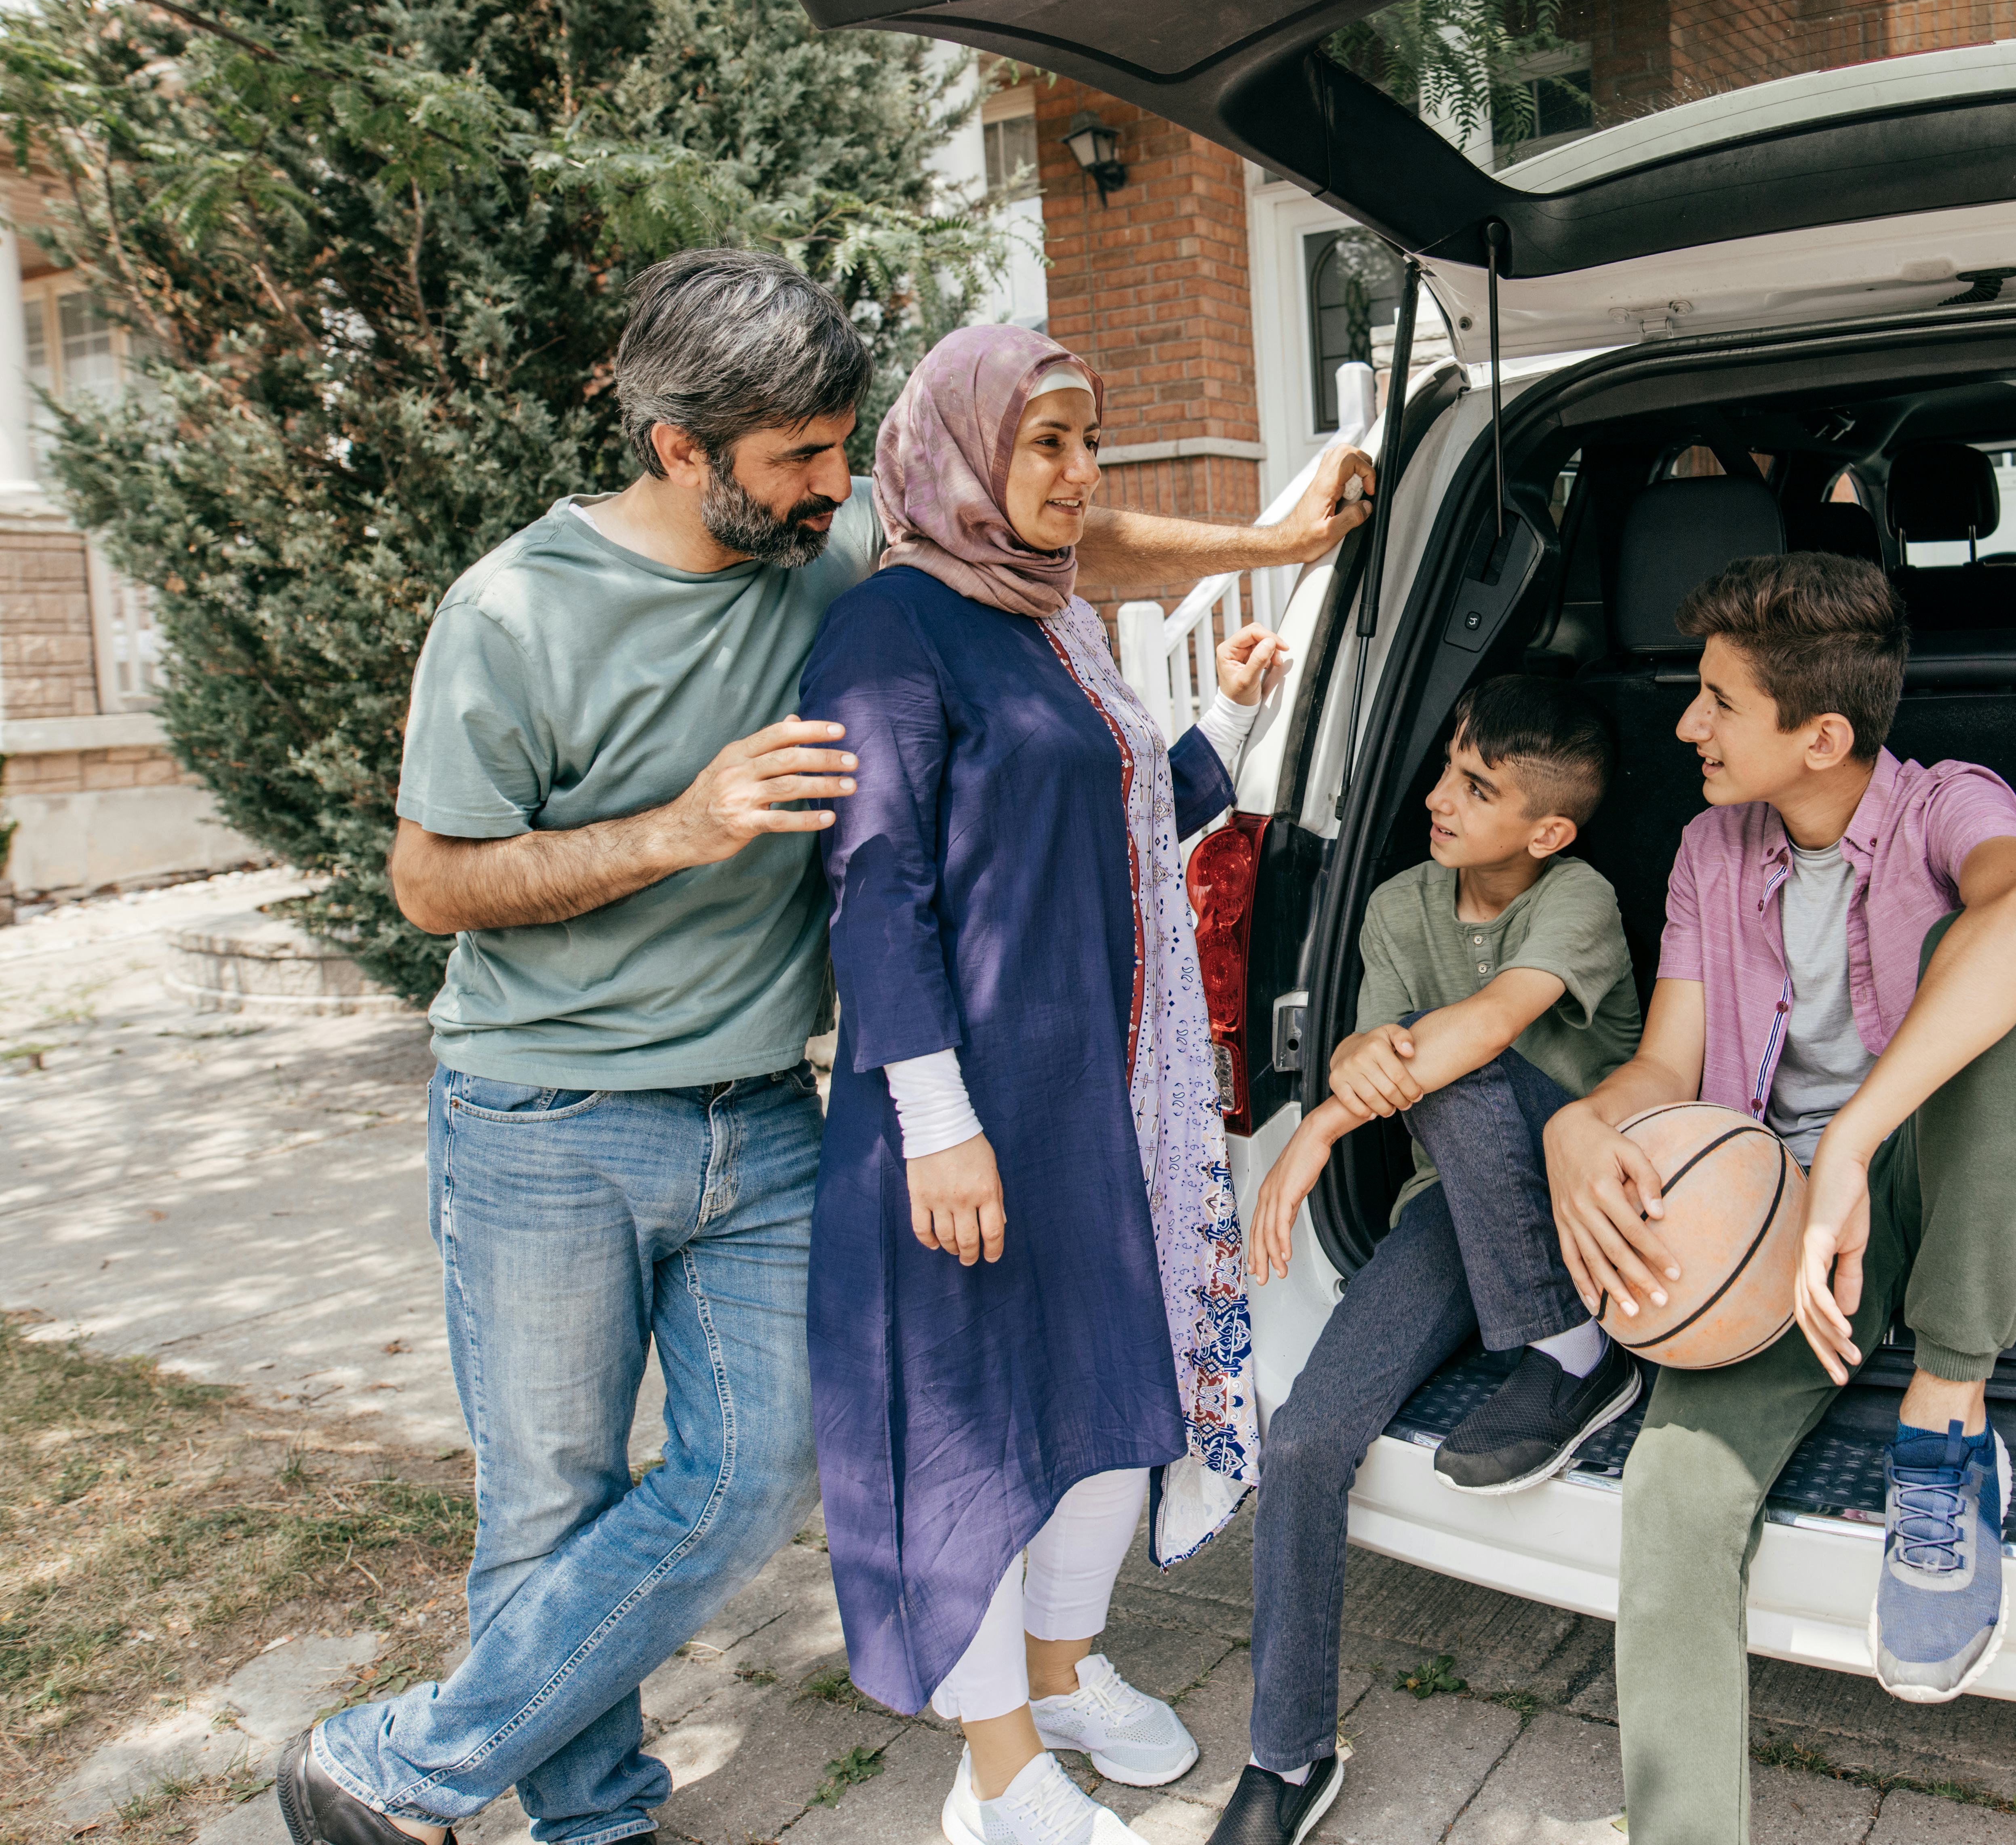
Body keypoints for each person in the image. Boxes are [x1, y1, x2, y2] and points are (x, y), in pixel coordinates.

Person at [277, 257, 1369, 1845]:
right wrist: (680, 827)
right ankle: (567, 1814)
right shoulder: (514, 612)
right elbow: (432, 880)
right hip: (547, 1117)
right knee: (550, 1497)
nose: (830, 486)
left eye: (842, 452)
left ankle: (421, 1759)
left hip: (759, 1107)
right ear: (675, 444)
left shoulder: (831, 540)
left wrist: (1270, 544)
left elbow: (1047, 533)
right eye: (795, 457)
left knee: (765, 1472)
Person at [801, 325, 1304, 1845]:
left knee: (1109, 1400)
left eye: (1091, 443)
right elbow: (875, 887)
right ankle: (1000, 1776)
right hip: (961, 1112)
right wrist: (941, 1128)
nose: (1085, 476)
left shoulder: (1057, 626)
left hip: (1100, 1097)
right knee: (975, 1430)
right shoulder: (894, 629)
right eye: (1050, 444)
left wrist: (1221, 723)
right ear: (962, 454)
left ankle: (1063, 1670)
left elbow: (1124, 834)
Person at [1540, 553, 2016, 1845]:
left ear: (1822, 736)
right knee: (1673, 1497)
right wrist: (1580, 1131)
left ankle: (1947, 1412)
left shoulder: (1947, 803)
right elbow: (1667, 1067)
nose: (1687, 725)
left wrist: (1856, 1143)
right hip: (1784, 1227)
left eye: (1716, 703)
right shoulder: (1710, 846)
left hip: (1965, 1188)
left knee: (1995, 965)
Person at [1213, 675, 1644, 1845]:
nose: (1440, 797)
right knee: (1301, 1439)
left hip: (1590, 1205)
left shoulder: (1581, 898)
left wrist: (1316, 1131)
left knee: (1464, 1074)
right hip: (1451, 1212)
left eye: (1477, 787)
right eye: (1448, 767)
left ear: (1547, 830)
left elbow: (1493, 1024)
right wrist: (1350, 1063)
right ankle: (1286, 1756)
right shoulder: (1402, 900)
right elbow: (1369, 1039)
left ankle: (1576, 1350)